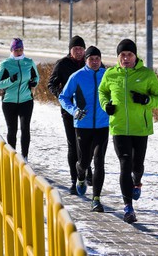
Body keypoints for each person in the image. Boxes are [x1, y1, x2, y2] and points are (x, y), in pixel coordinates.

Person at [98, 39, 158, 224]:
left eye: (129, 55)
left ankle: (137, 181)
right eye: (122, 55)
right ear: (118, 57)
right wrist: (106, 105)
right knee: (125, 164)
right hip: (119, 128)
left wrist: (146, 101)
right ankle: (128, 207)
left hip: (140, 128)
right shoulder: (111, 74)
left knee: (137, 166)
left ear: (135, 56)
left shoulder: (146, 75)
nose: (126, 58)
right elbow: (102, 92)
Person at [59, 46, 109, 212]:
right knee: (84, 161)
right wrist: (74, 111)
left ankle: (96, 199)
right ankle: (80, 176)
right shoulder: (77, 76)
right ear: (86, 60)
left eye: (97, 59)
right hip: (83, 126)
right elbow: (63, 97)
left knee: (99, 160)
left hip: (103, 125)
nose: (95, 62)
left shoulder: (107, 75)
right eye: (91, 59)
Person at [48, 35, 90, 195]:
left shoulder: (91, 62)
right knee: (73, 145)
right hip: (69, 111)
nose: (78, 52)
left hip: (88, 112)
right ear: (70, 50)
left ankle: (87, 171)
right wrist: (62, 95)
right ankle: (74, 180)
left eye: (81, 48)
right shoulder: (63, 64)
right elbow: (51, 84)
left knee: (87, 145)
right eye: (75, 49)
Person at [0, 37, 39, 161]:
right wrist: (10, 80)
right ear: (12, 50)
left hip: (26, 101)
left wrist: (33, 83)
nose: (19, 52)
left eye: (21, 49)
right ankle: (12, 157)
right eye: (16, 49)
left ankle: (25, 157)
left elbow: (36, 77)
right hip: (9, 102)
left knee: (25, 128)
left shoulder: (29, 62)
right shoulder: (5, 64)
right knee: (12, 129)